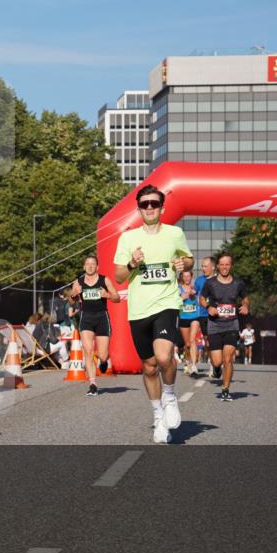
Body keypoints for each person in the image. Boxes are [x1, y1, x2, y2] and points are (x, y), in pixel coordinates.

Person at [113, 185, 193, 444]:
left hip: (166, 303)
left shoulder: (175, 233)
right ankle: (158, 416)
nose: (149, 208)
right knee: (148, 368)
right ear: (138, 208)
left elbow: (188, 260)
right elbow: (118, 276)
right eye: (145, 204)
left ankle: (169, 395)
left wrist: (184, 264)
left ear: (162, 207)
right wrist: (132, 264)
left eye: (154, 204)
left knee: (163, 356)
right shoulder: (127, 238)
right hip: (138, 309)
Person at [199, 252, 250, 401]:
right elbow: (202, 298)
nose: (225, 267)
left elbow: (245, 298)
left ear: (231, 266)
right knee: (217, 361)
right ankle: (216, 369)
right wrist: (208, 307)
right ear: (218, 266)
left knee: (228, 359)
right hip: (214, 325)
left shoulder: (238, 283)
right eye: (222, 264)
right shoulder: (211, 283)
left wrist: (245, 305)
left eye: (227, 264)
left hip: (232, 324)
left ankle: (225, 389)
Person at [69, 255, 120, 396]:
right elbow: (71, 302)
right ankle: (92, 383)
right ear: (84, 267)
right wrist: (74, 294)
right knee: (88, 351)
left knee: (102, 355)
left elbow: (117, 298)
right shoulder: (78, 282)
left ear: (97, 267)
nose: (90, 266)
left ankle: (103, 362)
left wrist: (107, 295)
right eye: (87, 264)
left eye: (93, 264)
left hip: (102, 318)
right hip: (86, 318)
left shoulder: (105, 280)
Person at [194, 256, 215, 377]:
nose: (203, 269)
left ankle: (216, 364)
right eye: (202, 266)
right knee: (207, 342)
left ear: (213, 267)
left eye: (206, 266)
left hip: (216, 314)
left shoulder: (218, 279)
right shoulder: (199, 280)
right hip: (203, 314)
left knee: (215, 340)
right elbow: (194, 294)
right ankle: (213, 363)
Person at [178, 269, 202, 377]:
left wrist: (193, 294)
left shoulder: (194, 287)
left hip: (195, 317)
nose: (187, 278)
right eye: (185, 276)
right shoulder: (178, 288)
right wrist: (181, 298)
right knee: (187, 344)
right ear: (182, 277)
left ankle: (193, 366)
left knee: (193, 340)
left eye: (189, 276)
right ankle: (187, 361)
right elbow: (174, 300)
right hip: (183, 317)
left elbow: (195, 295)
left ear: (191, 277)